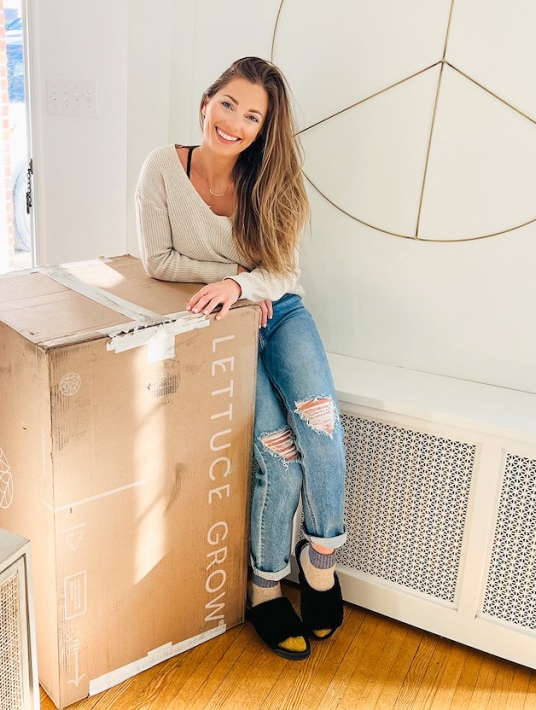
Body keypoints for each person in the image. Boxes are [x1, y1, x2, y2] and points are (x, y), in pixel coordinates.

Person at [135, 57, 347, 660]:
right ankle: (264, 588)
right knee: (277, 458)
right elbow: (159, 261)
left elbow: (283, 273)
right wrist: (232, 280)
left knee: (322, 427)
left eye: (252, 116)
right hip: (223, 322)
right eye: (228, 104)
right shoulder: (162, 168)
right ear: (207, 103)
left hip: (279, 313)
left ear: (261, 129)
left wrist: (249, 286)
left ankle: (321, 560)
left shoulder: (270, 179)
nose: (234, 121)